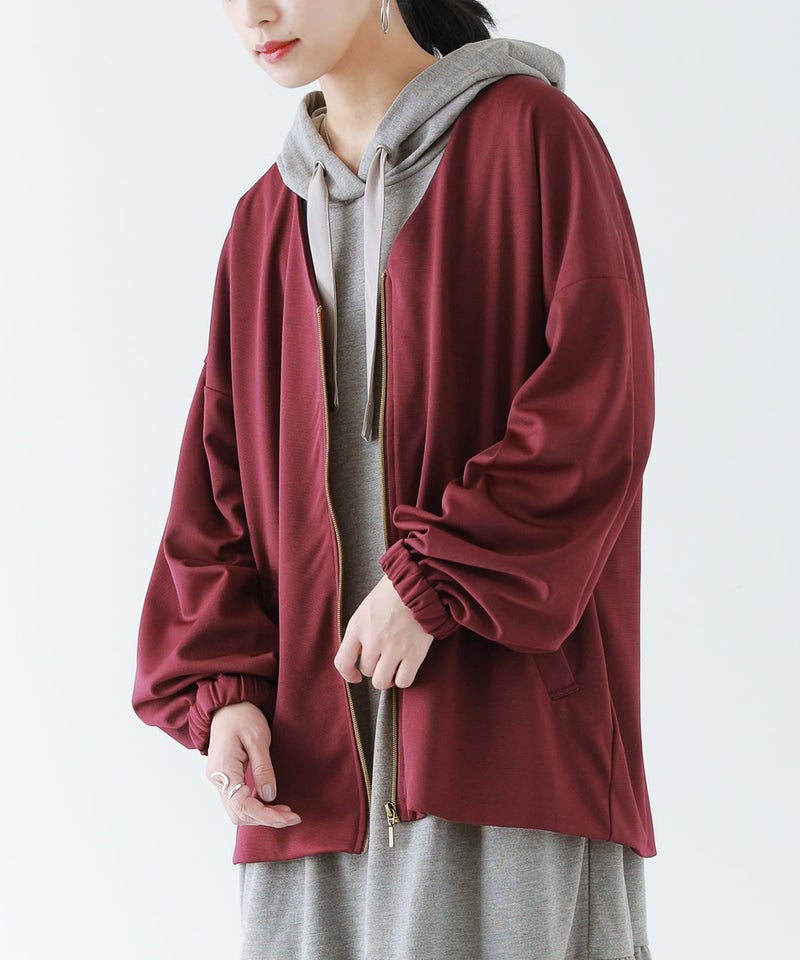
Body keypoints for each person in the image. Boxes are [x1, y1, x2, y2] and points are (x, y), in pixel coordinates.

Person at [132, 1, 657, 958]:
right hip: (308, 793)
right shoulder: (263, 221)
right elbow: (214, 489)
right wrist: (227, 692)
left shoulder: (534, 140)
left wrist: (431, 581)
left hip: (504, 766)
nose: (253, 14)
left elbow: (597, 409)